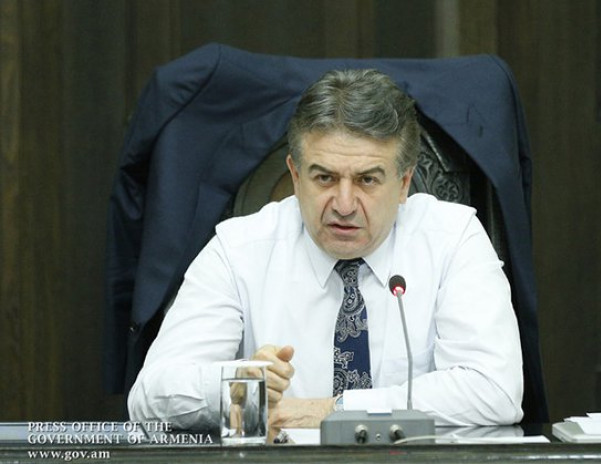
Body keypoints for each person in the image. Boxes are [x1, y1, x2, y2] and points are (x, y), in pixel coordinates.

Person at [127, 68, 523, 432]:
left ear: (404, 183)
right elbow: (148, 398)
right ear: (296, 176)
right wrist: (236, 386)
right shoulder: (240, 249)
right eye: (325, 178)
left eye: (367, 180)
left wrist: (335, 410)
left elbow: (496, 391)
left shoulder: (452, 239)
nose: (344, 205)